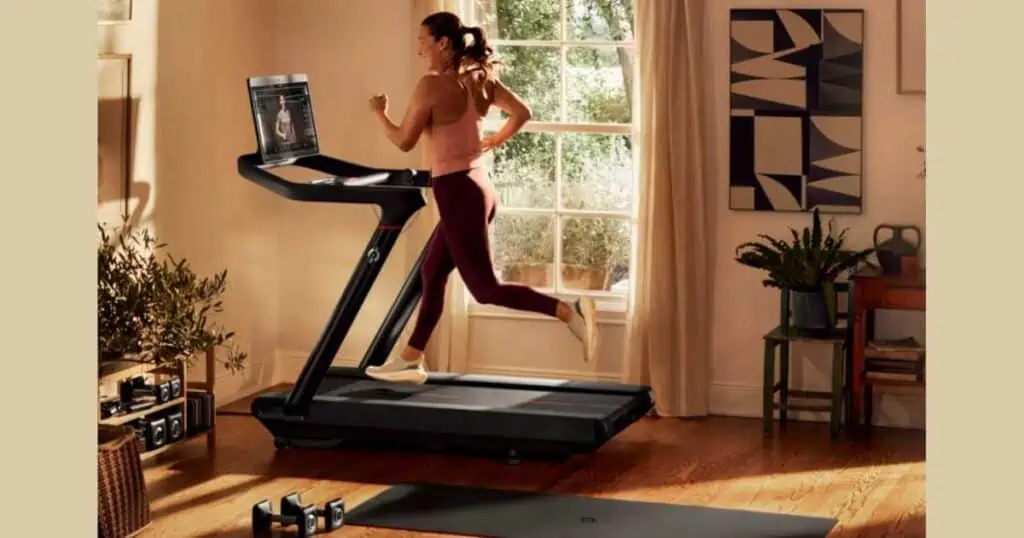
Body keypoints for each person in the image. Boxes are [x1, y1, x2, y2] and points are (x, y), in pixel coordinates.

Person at [365, 11, 599, 384]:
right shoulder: (480, 76)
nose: (419, 49)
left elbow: (404, 141)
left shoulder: (430, 86)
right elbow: (522, 112)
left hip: (457, 191)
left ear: (443, 43)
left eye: (423, 41)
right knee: (433, 272)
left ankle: (569, 311)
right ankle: (411, 357)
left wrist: (380, 113)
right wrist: (493, 140)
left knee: (485, 289)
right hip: (479, 188)